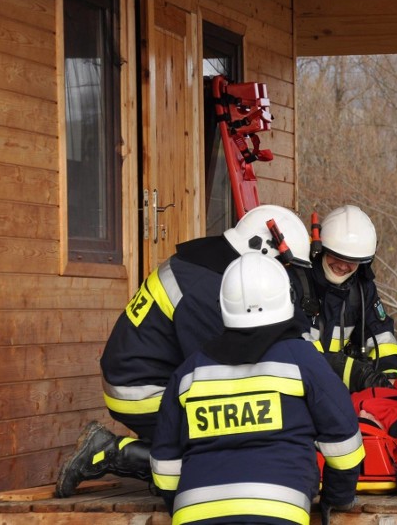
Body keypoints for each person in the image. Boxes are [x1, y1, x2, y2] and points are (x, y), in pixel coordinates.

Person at [55, 204, 312, 498]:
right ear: (263, 251)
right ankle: (113, 452)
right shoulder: (207, 289)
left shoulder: (209, 266)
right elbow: (221, 370)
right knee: (229, 442)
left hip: (148, 377)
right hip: (140, 392)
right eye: (284, 267)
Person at [150, 253, 364, 524]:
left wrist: (182, 504)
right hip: (278, 513)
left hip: (194, 514)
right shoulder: (303, 359)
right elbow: (343, 441)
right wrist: (336, 498)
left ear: (223, 305)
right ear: (287, 298)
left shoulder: (189, 372)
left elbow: (165, 464)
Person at [303, 204, 397, 389]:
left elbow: (381, 336)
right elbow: (295, 348)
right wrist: (357, 374)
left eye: (352, 261)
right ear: (322, 250)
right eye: (337, 256)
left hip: (337, 388)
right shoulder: (299, 282)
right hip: (298, 382)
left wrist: (395, 381)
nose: (343, 266)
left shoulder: (362, 289)